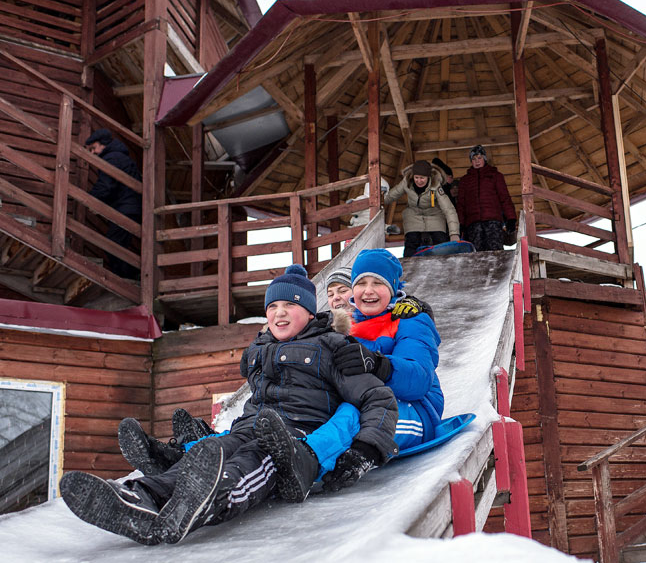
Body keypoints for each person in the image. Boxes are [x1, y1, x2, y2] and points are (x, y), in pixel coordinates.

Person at [60, 264, 398, 545]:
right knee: (209, 453)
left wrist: (368, 449)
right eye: (271, 307)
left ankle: (212, 500)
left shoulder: (334, 347)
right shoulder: (260, 349)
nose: (278, 313)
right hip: (249, 426)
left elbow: (378, 399)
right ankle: (141, 496)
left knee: (252, 461)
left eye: (289, 306)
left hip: (293, 437)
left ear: (310, 312)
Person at [319, 249, 444, 467]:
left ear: (392, 287)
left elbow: (419, 379)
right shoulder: (347, 328)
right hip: (365, 404)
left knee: (354, 419)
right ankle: (302, 457)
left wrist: (378, 365)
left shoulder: (411, 321)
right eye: (360, 283)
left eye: (378, 282)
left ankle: (333, 459)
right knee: (334, 414)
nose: (368, 291)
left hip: (413, 410)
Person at [84, 128, 142, 279]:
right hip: (129, 207)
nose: (92, 153)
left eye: (93, 148)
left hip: (126, 208)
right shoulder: (118, 157)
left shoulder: (112, 158)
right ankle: (127, 275)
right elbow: (114, 187)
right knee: (118, 244)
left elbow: (106, 185)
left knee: (113, 243)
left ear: (103, 144)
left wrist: (91, 200)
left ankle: (126, 277)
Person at [384, 159, 460, 257]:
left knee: (440, 241)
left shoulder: (435, 185)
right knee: (411, 242)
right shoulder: (406, 182)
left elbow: (449, 209)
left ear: (428, 177)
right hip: (413, 215)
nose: (419, 181)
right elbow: (391, 196)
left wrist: (454, 234)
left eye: (422, 178)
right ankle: (408, 267)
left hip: (434, 215)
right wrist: (379, 202)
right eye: (417, 177)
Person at [456, 145, 516, 251]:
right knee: (476, 255)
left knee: (496, 252)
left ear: (484, 159)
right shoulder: (465, 181)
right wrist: (460, 224)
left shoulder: (496, 176)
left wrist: (511, 218)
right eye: (474, 159)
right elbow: (461, 204)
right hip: (473, 224)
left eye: (479, 158)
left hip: (493, 222)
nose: (477, 161)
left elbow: (505, 198)